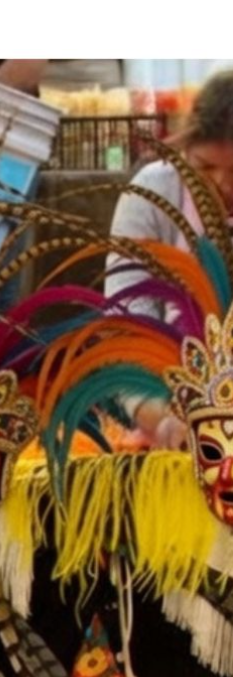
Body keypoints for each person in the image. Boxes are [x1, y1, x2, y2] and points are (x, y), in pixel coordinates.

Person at [106, 71, 233, 449]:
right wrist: (161, 419)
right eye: (205, 167)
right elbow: (128, 323)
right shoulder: (151, 193)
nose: (223, 185)